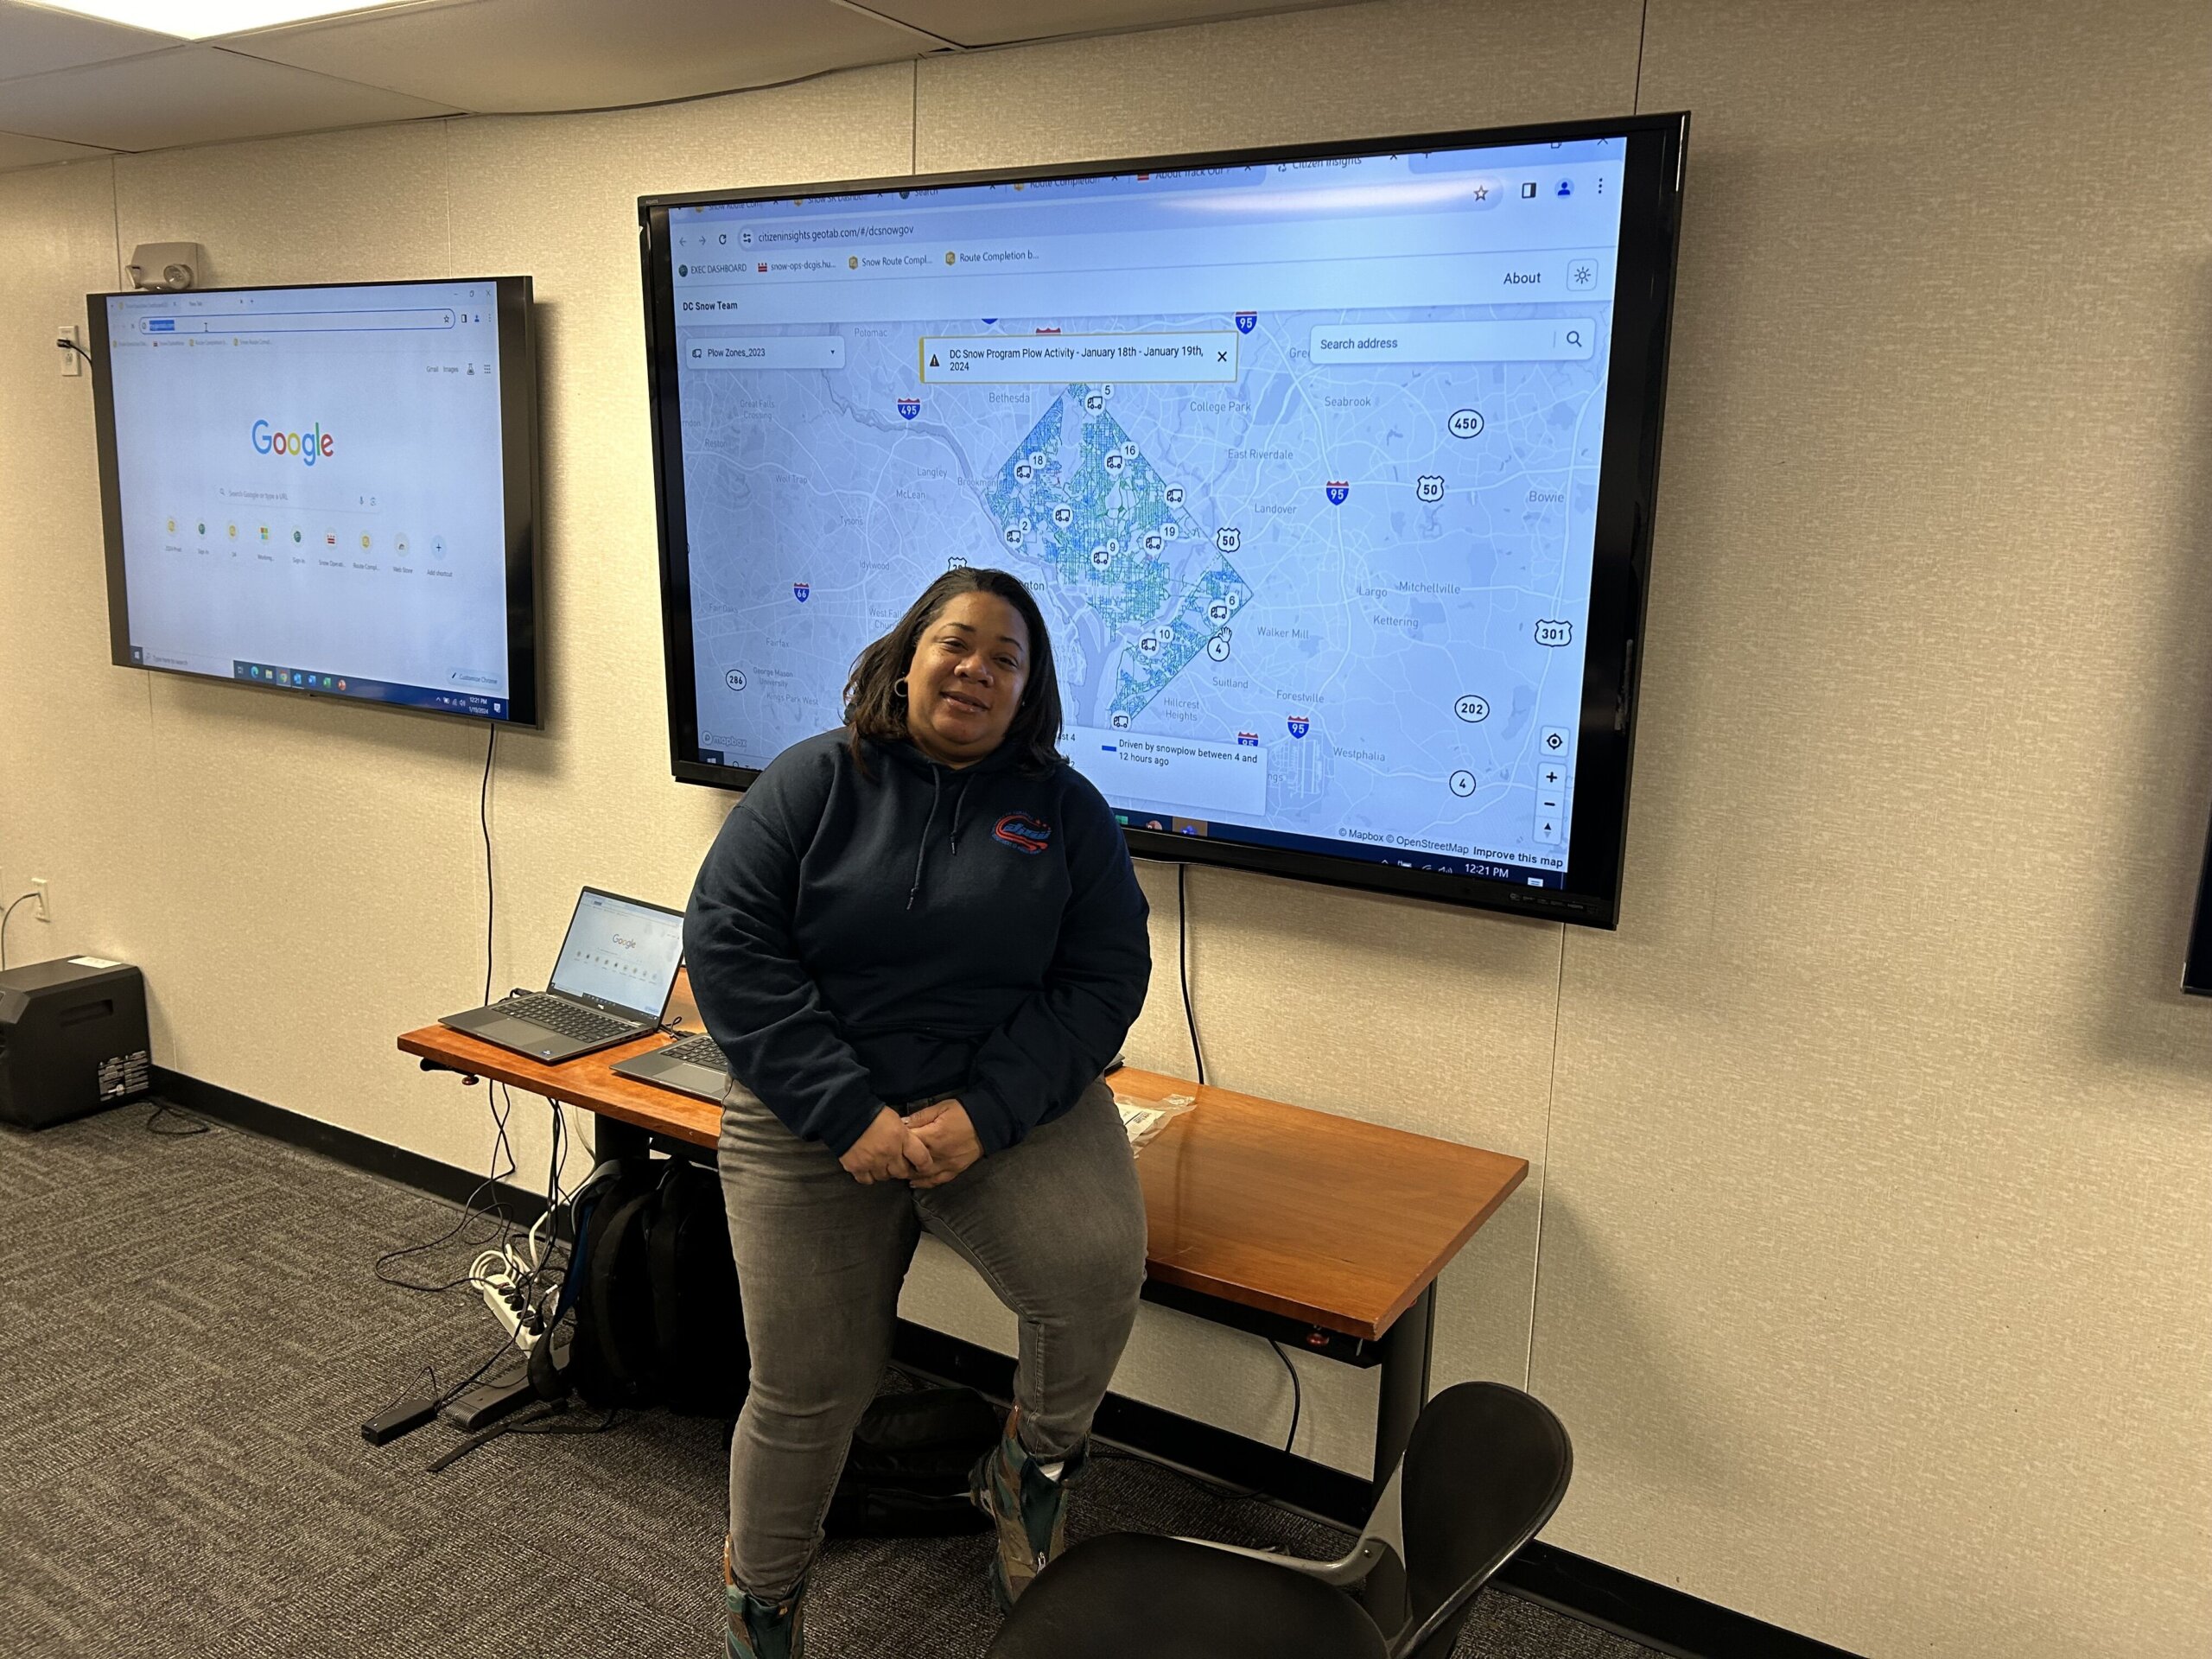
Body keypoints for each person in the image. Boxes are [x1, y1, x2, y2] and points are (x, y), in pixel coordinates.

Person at [683, 567, 1153, 1658]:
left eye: (1006, 658)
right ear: (907, 660)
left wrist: (985, 1112)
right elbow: (727, 946)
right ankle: (763, 1601)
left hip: (1001, 1103)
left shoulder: (1066, 812)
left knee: (1093, 1275)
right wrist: (847, 1113)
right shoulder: (812, 781)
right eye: (957, 643)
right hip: (813, 1110)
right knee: (809, 1389)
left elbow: (1103, 981)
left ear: (1028, 692)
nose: (976, 669)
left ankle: (1027, 1470)